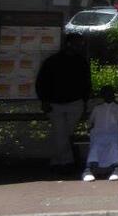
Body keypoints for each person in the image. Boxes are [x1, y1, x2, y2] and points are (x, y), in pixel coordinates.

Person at [35, 34, 91, 173]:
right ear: (69, 44)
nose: (80, 47)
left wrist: (84, 101)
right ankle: (65, 161)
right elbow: (42, 83)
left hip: (74, 103)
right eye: (78, 44)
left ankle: (60, 160)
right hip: (55, 104)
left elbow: (86, 83)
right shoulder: (52, 62)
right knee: (62, 133)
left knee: (64, 133)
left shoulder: (81, 62)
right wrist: (45, 100)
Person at [83, 85, 118, 181]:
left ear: (113, 95)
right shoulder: (97, 108)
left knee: (114, 145)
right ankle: (88, 170)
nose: (108, 95)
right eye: (106, 94)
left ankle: (116, 169)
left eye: (110, 93)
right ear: (102, 95)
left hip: (114, 134)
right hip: (98, 134)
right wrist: (89, 130)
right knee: (96, 145)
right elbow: (90, 122)